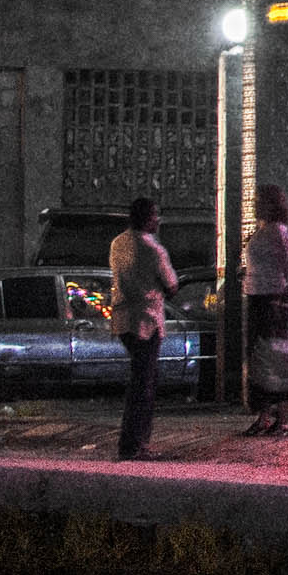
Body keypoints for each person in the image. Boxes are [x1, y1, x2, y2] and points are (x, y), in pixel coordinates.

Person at [107, 195, 177, 460]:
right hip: (146, 320)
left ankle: (132, 443)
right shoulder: (152, 248)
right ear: (148, 218)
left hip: (123, 319)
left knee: (139, 381)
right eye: (155, 215)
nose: (158, 219)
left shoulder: (118, 243)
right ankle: (135, 444)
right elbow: (171, 285)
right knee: (144, 386)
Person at [239, 185, 288, 437]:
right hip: (256, 295)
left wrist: (279, 298)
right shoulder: (262, 230)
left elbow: (284, 265)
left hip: (272, 298)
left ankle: (282, 418)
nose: (255, 205)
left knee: (275, 357)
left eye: (259, 201)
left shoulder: (278, 231)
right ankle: (264, 415)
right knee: (260, 359)